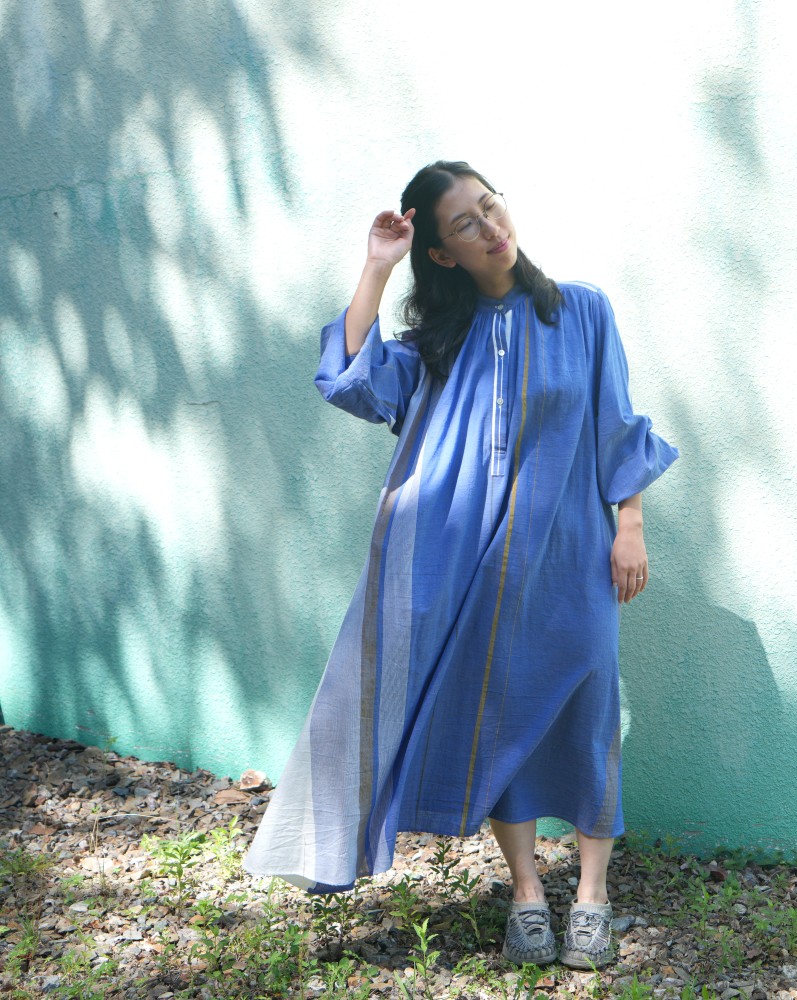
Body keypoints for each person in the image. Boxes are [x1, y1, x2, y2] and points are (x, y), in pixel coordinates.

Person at [244, 161, 678, 969]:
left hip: (570, 558)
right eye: (466, 224)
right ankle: (527, 894)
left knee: (589, 713)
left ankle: (591, 896)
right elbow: (351, 381)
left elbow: (617, 425)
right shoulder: (438, 344)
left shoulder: (582, 310)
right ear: (442, 253)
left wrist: (631, 523)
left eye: (489, 205)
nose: (490, 227)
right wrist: (377, 267)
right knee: (500, 717)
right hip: (472, 568)